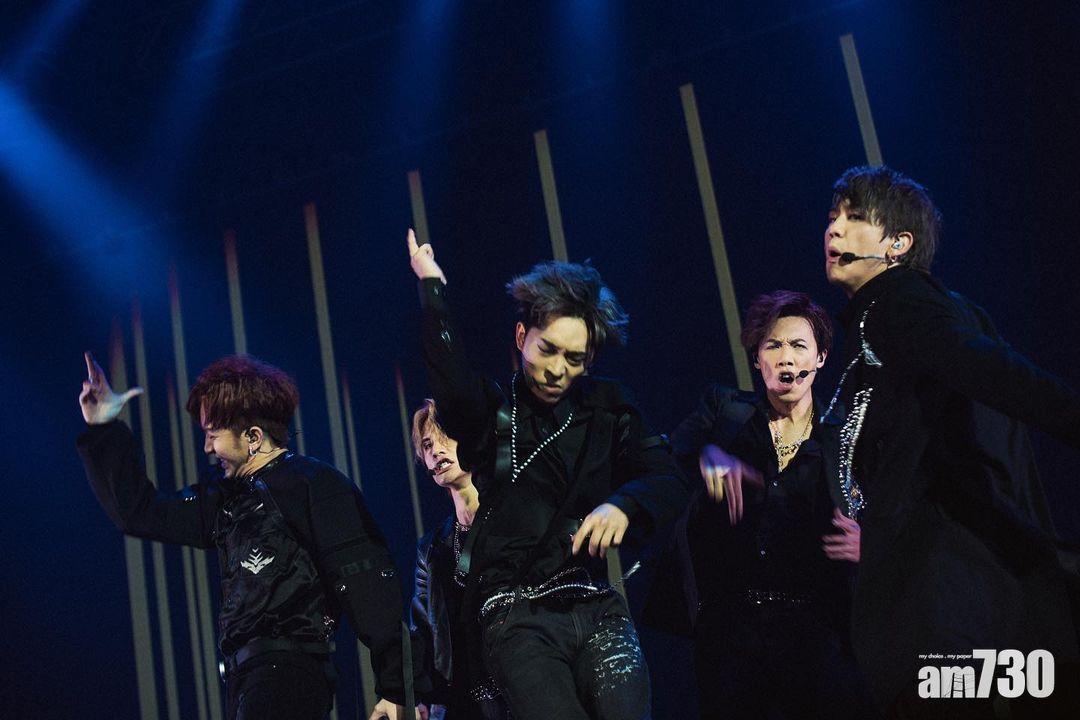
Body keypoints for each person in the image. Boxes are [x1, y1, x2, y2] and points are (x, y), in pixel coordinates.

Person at [822, 165, 1080, 718]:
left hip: (946, 598)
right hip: (931, 589)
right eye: (833, 216)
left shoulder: (901, 299)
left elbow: (989, 369)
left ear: (897, 244)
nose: (834, 229)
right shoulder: (871, 324)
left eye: (855, 218)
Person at [405, 229, 690, 720]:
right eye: (547, 350)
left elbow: (668, 478)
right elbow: (451, 386)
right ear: (522, 338)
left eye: (574, 358)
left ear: (590, 359)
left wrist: (624, 504)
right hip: (514, 615)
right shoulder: (492, 413)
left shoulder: (608, 410)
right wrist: (432, 288)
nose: (558, 369)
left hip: (593, 605)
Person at [76, 352, 420, 720]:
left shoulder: (314, 484)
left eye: (213, 435)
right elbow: (141, 513)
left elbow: (366, 581)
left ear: (253, 437)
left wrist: (396, 688)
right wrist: (103, 428)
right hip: (244, 682)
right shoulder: (225, 500)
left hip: (290, 676)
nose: (207, 448)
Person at [643, 290, 873, 719]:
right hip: (732, 633)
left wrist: (872, 545)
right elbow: (662, 459)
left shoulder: (845, 433)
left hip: (819, 632)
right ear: (757, 359)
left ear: (820, 358)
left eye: (799, 345)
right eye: (773, 345)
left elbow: (895, 508)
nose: (786, 357)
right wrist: (708, 456)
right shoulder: (724, 411)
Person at [409, 399, 510, 720]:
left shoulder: (515, 519)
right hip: (464, 700)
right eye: (428, 445)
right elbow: (422, 628)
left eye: (447, 438)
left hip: (523, 680)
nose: (437, 451)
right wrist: (421, 695)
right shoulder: (431, 548)